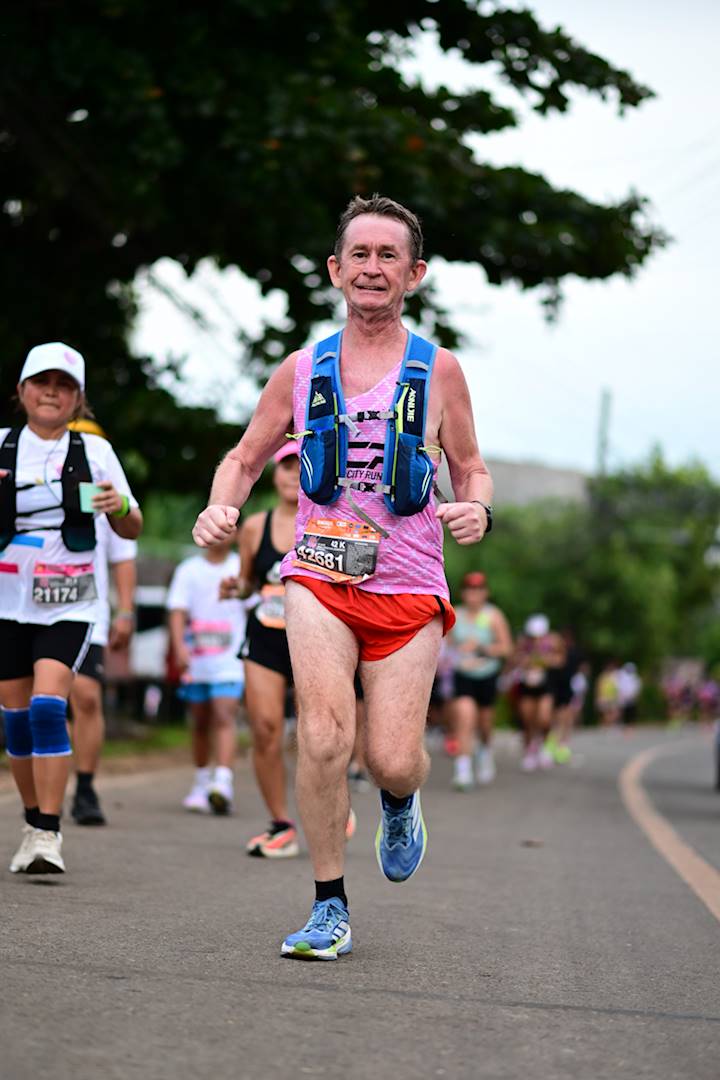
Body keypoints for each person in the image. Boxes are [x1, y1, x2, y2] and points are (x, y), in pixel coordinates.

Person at [193, 194, 492, 960]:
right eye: (359, 254)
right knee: (324, 736)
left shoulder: (439, 370)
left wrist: (477, 511)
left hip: (410, 582)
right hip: (319, 575)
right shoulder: (302, 369)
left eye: (388, 256)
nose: (372, 268)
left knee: (390, 755)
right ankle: (329, 906)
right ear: (336, 269)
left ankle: (400, 798)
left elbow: (470, 468)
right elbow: (245, 457)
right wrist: (220, 510)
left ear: (414, 274)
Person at [0, 342, 141, 874]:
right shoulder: (2, 447)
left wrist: (120, 505)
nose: (51, 392)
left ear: (78, 398)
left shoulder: (95, 454)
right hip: (8, 599)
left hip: (70, 599)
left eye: (63, 385)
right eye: (41, 382)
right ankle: (33, 818)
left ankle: (48, 834)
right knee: (14, 721)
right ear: (22, 391)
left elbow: (131, 527)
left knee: (45, 706)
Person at [166, 531, 246, 814]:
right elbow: (177, 612)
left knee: (224, 714)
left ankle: (222, 783)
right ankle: (201, 782)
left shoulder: (240, 568)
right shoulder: (189, 570)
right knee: (200, 720)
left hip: (230, 660)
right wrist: (179, 649)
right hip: (196, 660)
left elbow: (251, 604)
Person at [69, 510, 137, 824]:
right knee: (40, 703)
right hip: (24, 608)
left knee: (86, 697)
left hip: (84, 607)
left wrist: (124, 611)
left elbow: (123, 553)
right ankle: (39, 789)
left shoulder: (98, 467)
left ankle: (84, 787)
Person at [449, 571, 512, 789]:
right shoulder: (456, 614)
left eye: (478, 590)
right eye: (469, 590)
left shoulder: (493, 616)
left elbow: (506, 648)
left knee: (484, 723)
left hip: (487, 675)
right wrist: (457, 655)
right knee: (464, 717)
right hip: (463, 674)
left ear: (485, 593)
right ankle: (463, 769)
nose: (473, 595)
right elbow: (445, 648)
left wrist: (482, 648)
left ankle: (485, 750)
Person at [514, 614, 565, 771]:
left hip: (546, 685)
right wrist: (525, 661)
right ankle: (529, 751)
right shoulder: (523, 642)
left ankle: (544, 746)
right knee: (527, 718)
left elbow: (561, 659)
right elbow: (515, 658)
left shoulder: (554, 641)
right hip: (528, 686)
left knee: (544, 717)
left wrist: (547, 660)